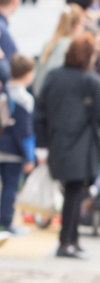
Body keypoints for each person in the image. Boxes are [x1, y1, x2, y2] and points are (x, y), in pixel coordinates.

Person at [33, 33, 100, 260]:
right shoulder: (93, 81)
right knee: (74, 194)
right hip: (83, 146)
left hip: (57, 142)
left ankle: (72, 240)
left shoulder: (54, 76)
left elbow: (40, 112)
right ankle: (66, 242)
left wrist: (42, 145)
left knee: (73, 193)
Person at [0, 53, 36, 240]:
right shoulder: (24, 98)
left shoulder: (4, 90)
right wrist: (29, 156)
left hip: (2, 142)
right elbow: (26, 132)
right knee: (11, 186)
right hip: (14, 150)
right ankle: (5, 221)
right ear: (29, 74)